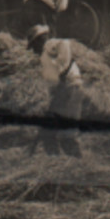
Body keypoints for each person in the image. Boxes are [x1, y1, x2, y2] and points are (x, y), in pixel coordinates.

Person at [27, 24, 85, 159]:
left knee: (67, 136)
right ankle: (55, 163)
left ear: (39, 40)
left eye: (33, 45)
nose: (33, 50)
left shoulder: (49, 45)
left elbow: (65, 44)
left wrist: (63, 70)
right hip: (61, 93)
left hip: (71, 88)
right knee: (48, 134)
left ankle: (78, 166)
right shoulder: (44, 59)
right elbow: (52, 83)